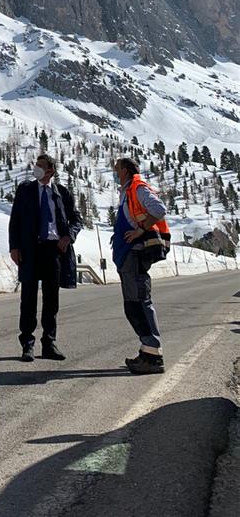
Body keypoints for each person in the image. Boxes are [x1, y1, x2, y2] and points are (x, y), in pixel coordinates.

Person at [8, 152, 83, 362]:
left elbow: (76, 219)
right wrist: (14, 247)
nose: (36, 168)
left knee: (52, 300)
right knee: (28, 298)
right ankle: (27, 344)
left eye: (41, 165)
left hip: (53, 251)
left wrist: (69, 236)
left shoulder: (62, 193)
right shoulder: (25, 190)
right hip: (30, 250)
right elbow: (15, 221)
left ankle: (49, 343)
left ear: (50, 171)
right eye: (36, 165)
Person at [111, 157, 171, 375]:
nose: (116, 173)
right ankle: (148, 353)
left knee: (138, 304)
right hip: (129, 255)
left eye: (117, 169)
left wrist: (140, 229)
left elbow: (159, 208)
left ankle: (153, 357)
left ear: (126, 171)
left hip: (135, 254)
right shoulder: (128, 192)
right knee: (134, 305)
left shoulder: (138, 188)